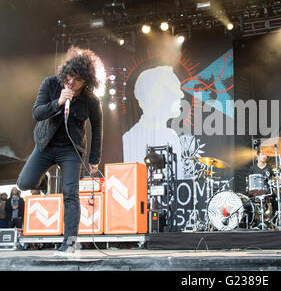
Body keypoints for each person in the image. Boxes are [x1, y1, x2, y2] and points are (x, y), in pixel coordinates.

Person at [17, 47, 104, 255]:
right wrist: (58, 102)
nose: (71, 82)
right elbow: (37, 113)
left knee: (70, 194)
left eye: (78, 79)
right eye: (69, 76)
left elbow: (98, 129)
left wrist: (94, 159)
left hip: (70, 151)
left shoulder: (91, 100)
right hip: (45, 145)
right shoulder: (50, 84)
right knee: (24, 184)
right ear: (64, 73)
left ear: (86, 81)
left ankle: (70, 242)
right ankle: (44, 179)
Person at [122, 65, 184, 178]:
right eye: (175, 92)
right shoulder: (131, 137)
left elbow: (178, 179)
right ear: (158, 97)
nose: (181, 96)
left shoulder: (172, 136)